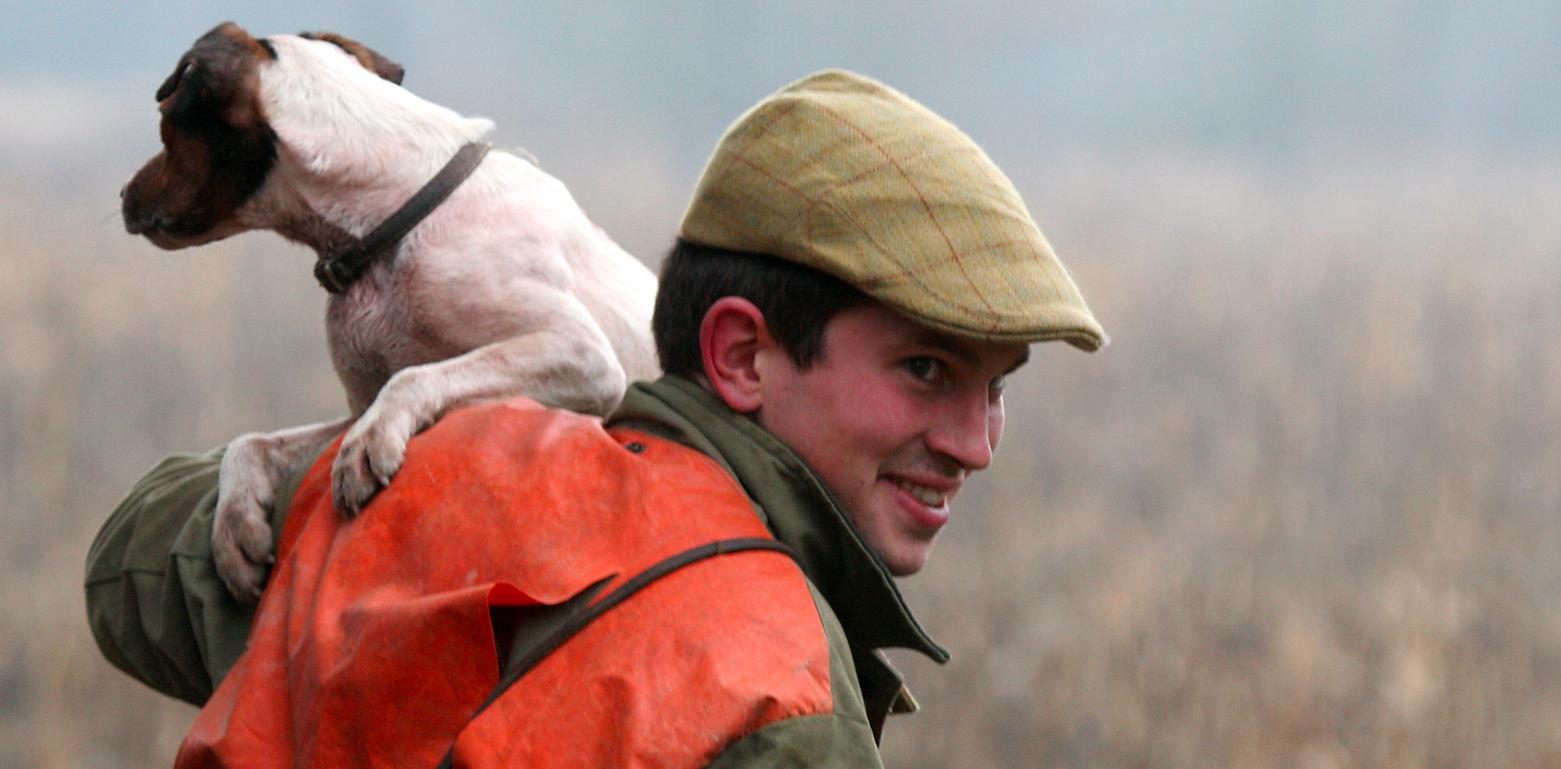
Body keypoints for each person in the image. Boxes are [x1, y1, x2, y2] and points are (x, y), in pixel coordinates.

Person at [85, 69, 1105, 767]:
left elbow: (127, 572)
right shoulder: (783, 694)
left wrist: (332, 475)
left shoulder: (455, 471)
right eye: (926, 369)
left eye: (998, 385)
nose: (975, 444)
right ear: (741, 353)